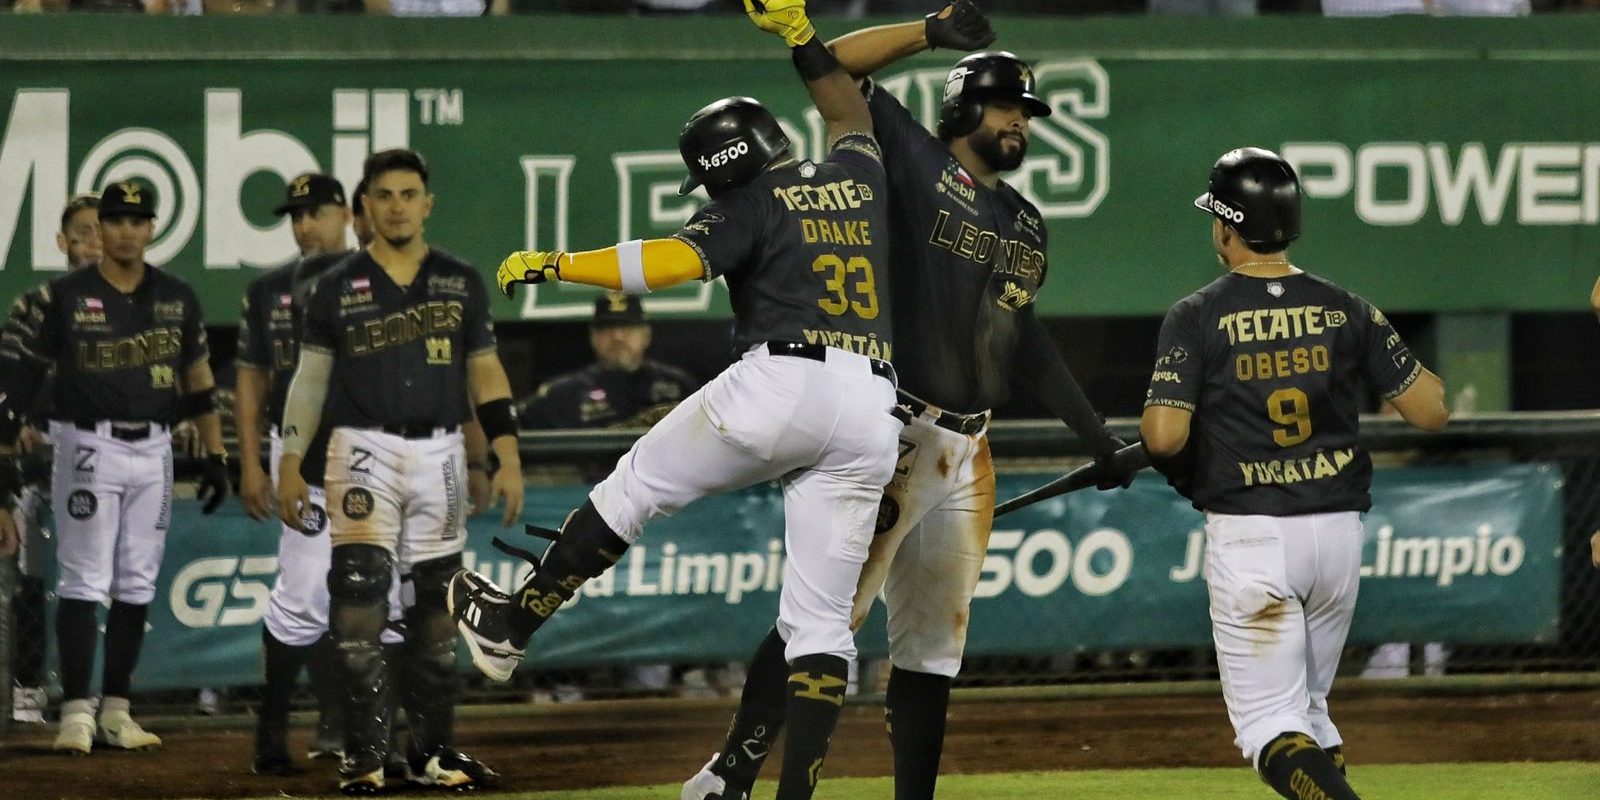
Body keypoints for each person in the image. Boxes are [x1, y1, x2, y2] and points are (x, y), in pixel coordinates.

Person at [681, 5, 1135, 800]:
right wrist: (925, 31)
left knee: (933, 649)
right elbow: (838, 77)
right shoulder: (912, 160)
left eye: (1026, 113)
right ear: (963, 108)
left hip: (971, 451)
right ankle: (732, 773)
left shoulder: (1025, 221)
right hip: (892, 427)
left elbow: (1022, 339)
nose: (1019, 124)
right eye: (1005, 107)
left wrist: (1097, 438)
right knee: (824, 620)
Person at [453, 5, 904, 798]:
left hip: (784, 380)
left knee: (635, 487)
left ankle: (511, 624)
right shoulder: (858, 177)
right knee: (820, 624)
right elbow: (849, 108)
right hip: (873, 405)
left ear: (725, 164)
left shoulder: (750, 201)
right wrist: (801, 38)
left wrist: (561, 263)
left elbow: (666, 261)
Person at [1139, 147, 1449, 800]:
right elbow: (1430, 412)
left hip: (1254, 535)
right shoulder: (1347, 309)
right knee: (1308, 710)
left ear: (1226, 226)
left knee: (1267, 726)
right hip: (1336, 534)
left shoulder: (1198, 313)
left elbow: (1164, 436)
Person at [275, 148, 523, 794]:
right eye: (384, 195)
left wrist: (506, 453)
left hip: (440, 449)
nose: (397, 206)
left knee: (438, 614)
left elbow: (485, 370)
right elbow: (309, 382)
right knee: (357, 603)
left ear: (427, 203)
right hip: (361, 449)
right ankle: (365, 758)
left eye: (409, 194)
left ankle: (433, 752)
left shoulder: (460, 280)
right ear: (365, 209)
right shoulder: (333, 287)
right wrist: (289, 462)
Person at [0, 179, 231, 754]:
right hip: (87, 446)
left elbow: (199, 385)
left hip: (154, 450)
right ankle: (77, 709)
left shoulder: (177, 296)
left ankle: (117, 709)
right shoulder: (64, 297)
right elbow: (19, 387)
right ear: (99, 229)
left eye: (138, 220)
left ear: (153, 228)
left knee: (137, 581)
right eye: (116, 220)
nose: (127, 230)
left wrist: (217, 456)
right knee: (83, 578)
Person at [237, 174, 368, 771]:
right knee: (307, 592)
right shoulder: (270, 289)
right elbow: (252, 378)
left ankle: (353, 722)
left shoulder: (382, 280)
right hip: (301, 452)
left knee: (378, 592)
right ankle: (273, 731)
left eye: (314, 211)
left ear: (344, 212)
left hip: (372, 448)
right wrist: (252, 463)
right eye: (295, 214)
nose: (303, 223)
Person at [9, 193, 102, 725]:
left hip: (105, 454)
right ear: (62, 242)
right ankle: (26, 685)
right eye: (82, 232)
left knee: (102, 579)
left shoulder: (132, 302)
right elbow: (10, 380)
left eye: (99, 230)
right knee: (34, 577)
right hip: (40, 466)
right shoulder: (37, 304)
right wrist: (19, 424)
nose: (92, 240)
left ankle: (97, 692)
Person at [517, 293, 699, 432]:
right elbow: (515, 427)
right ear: (593, 337)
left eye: (627, 327)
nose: (617, 336)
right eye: (608, 327)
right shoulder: (564, 394)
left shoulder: (679, 385)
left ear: (645, 335)